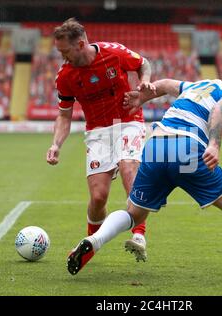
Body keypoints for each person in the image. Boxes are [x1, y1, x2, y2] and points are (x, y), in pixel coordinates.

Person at [66, 63, 222, 285]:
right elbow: (220, 110)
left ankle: (94, 240)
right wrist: (214, 144)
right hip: (187, 146)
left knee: (134, 213)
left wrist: (141, 99)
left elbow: (164, 85)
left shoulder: (198, 85)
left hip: (156, 144)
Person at [46, 18, 156, 262]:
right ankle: (90, 246)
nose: (62, 57)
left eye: (65, 51)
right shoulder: (66, 76)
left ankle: (139, 235)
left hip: (128, 122)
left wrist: (143, 82)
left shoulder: (113, 53)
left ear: (81, 44)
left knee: (129, 169)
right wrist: (56, 144)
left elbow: (143, 63)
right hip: (97, 132)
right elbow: (64, 115)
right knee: (98, 198)